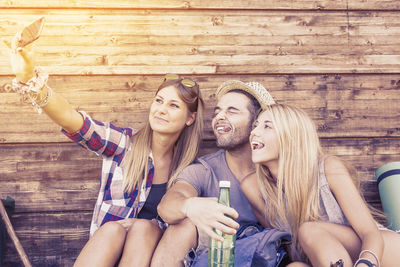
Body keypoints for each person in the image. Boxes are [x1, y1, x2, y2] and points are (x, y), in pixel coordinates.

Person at [5, 32, 204, 267]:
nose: (161, 110)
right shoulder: (124, 145)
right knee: (114, 230)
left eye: (173, 105)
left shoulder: (188, 173)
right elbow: (73, 120)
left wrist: (146, 225)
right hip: (108, 250)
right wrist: (34, 84)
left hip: (151, 256)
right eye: (158, 101)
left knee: (143, 228)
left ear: (190, 118)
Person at [246, 103, 400, 266]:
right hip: (331, 260)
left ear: (292, 136)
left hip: (378, 251)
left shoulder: (328, 168)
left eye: (267, 126)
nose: (254, 132)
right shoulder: (254, 188)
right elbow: (294, 250)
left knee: (309, 230)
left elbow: (370, 233)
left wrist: (366, 263)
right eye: (255, 126)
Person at [153, 80, 276, 266]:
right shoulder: (204, 169)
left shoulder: (275, 167)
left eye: (232, 111)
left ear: (255, 123)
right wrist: (190, 206)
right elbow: (167, 206)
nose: (219, 117)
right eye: (217, 111)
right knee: (183, 225)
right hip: (216, 256)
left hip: (265, 255)